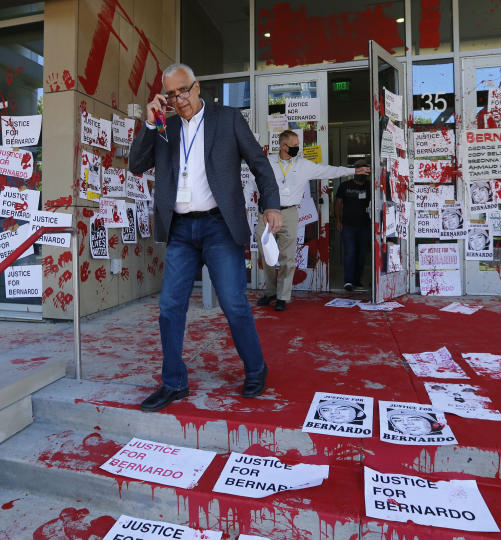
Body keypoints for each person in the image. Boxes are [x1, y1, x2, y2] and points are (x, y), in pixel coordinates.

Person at [129, 63, 283, 412]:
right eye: (170, 94)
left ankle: (256, 368)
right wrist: (149, 122)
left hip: (219, 226)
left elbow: (260, 164)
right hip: (180, 229)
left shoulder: (227, 119)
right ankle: (173, 383)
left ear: (197, 87)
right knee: (170, 307)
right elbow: (136, 165)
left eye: (183, 90)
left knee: (233, 301)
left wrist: (270, 205)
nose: (178, 99)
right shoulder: (163, 126)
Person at [255, 131, 369, 310]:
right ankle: (270, 292)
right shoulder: (267, 162)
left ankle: (283, 296)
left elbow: (329, 170)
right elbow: (253, 183)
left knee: (287, 258)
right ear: (283, 146)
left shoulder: (303, 165)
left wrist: (353, 171)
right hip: (267, 213)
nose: (297, 148)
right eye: (294, 145)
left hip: (289, 214)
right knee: (266, 255)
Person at [334, 163, 372, 292]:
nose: (361, 174)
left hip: (366, 226)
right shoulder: (345, 185)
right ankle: (349, 281)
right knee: (350, 252)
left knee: (361, 254)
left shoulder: (370, 186)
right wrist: (338, 221)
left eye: (365, 171)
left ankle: (357, 280)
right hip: (348, 225)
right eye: (359, 171)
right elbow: (338, 203)